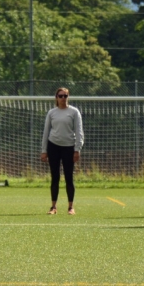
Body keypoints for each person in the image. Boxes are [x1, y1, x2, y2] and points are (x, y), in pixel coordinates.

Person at [39, 87, 84, 215]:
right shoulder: (52, 113)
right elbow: (46, 132)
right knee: (55, 177)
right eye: (60, 96)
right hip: (53, 146)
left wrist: (77, 149)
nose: (63, 98)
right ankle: (53, 207)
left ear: (68, 97)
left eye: (65, 96)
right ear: (56, 98)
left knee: (69, 177)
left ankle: (70, 207)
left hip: (69, 147)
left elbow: (79, 131)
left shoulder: (74, 112)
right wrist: (44, 150)